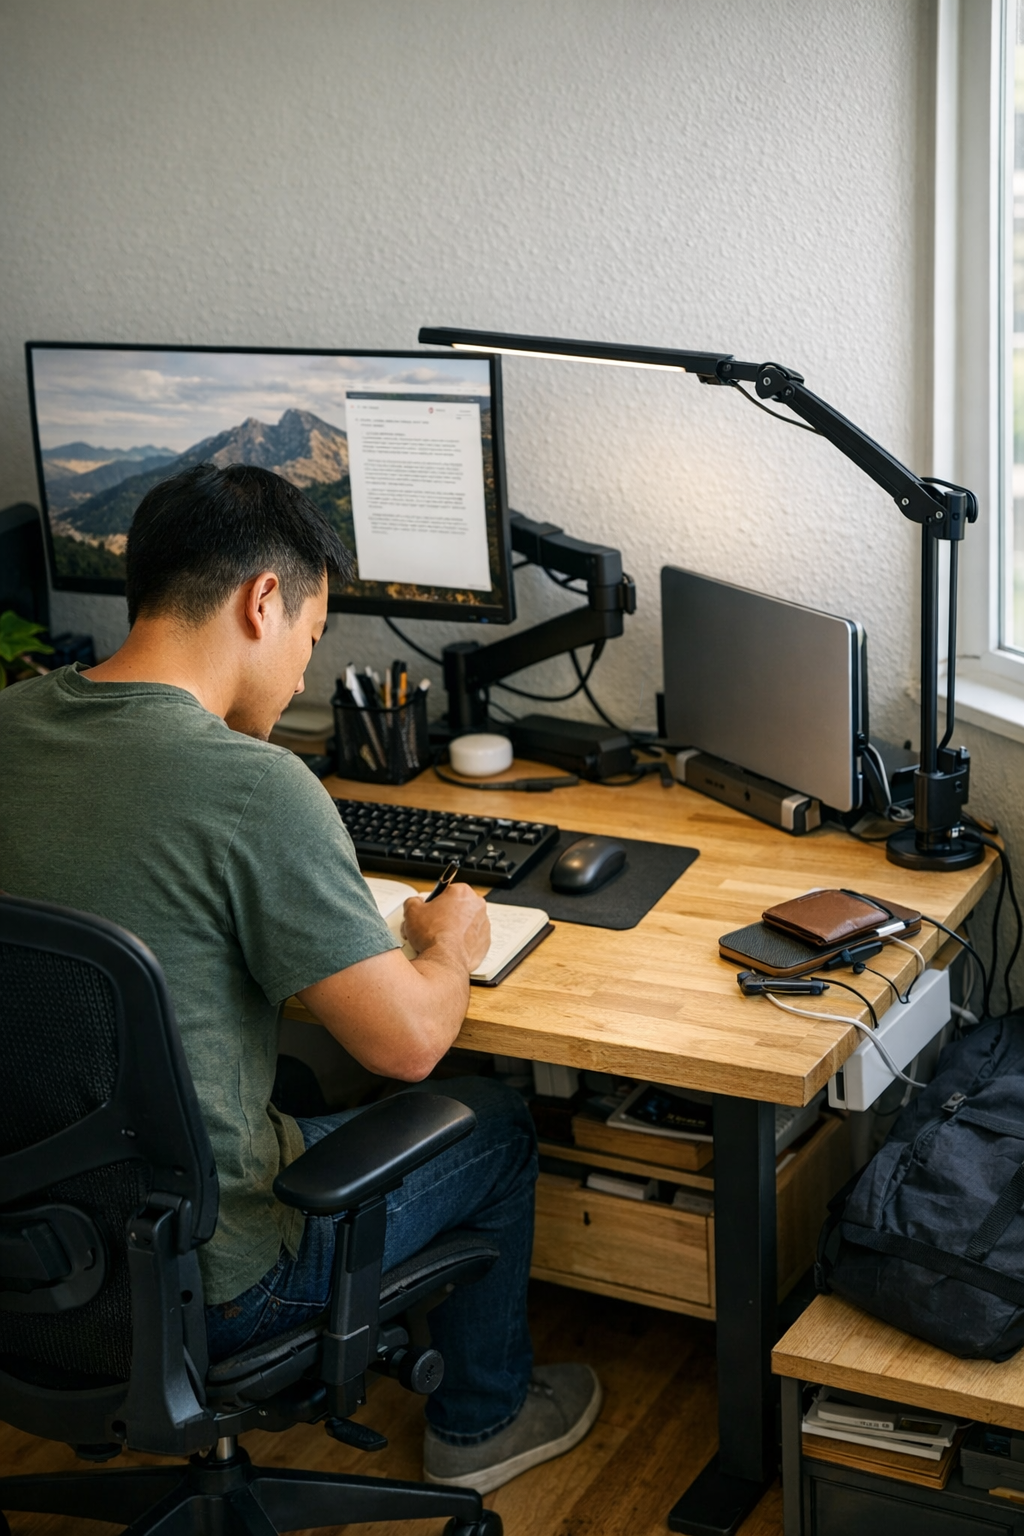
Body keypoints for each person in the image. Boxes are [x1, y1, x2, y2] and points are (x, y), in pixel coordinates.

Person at [0, 462, 600, 1493]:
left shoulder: (12, 723)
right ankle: (479, 1423)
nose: (298, 679)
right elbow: (407, 1044)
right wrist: (448, 941)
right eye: (310, 642)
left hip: (30, 1256)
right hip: (216, 1280)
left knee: (304, 1080)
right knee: (493, 1120)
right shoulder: (253, 787)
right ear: (262, 601)